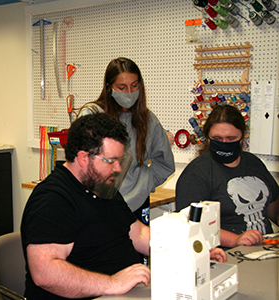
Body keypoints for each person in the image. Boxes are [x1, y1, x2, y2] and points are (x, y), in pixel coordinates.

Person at [21, 113, 226, 300]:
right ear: (84, 158)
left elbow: (138, 235)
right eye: (111, 161)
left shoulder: (101, 187)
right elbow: (45, 274)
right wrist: (112, 283)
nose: (118, 168)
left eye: (120, 160)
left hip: (122, 294)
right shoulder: (52, 199)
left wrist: (189, 251)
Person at [78, 57, 175, 224]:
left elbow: (165, 164)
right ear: (109, 88)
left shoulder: (148, 120)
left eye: (134, 86)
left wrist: (144, 184)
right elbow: (80, 166)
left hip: (137, 205)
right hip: (100, 207)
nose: (129, 93)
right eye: (122, 88)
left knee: (137, 249)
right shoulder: (92, 116)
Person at [176, 105, 279, 248]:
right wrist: (235, 239)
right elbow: (189, 223)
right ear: (207, 138)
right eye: (217, 138)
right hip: (226, 253)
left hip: (266, 246)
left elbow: (273, 203)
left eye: (231, 138)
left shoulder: (253, 163)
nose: (224, 144)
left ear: (242, 137)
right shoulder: (197, 173)